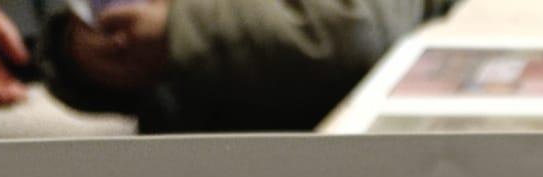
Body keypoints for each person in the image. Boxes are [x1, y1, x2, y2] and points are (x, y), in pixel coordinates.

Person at [40, 0, 448, 132]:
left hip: (325, 172)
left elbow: (352, 29)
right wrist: (75, 48)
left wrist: (179, 31)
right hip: (182, 166)